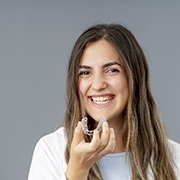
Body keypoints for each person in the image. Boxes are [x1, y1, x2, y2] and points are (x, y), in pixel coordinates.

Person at [28, 23, 180, 180]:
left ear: (134, 77)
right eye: (85, 72)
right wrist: (77, 171)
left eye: (111, 70)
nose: (98, 85)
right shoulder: (51, 150)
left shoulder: (175, 158)